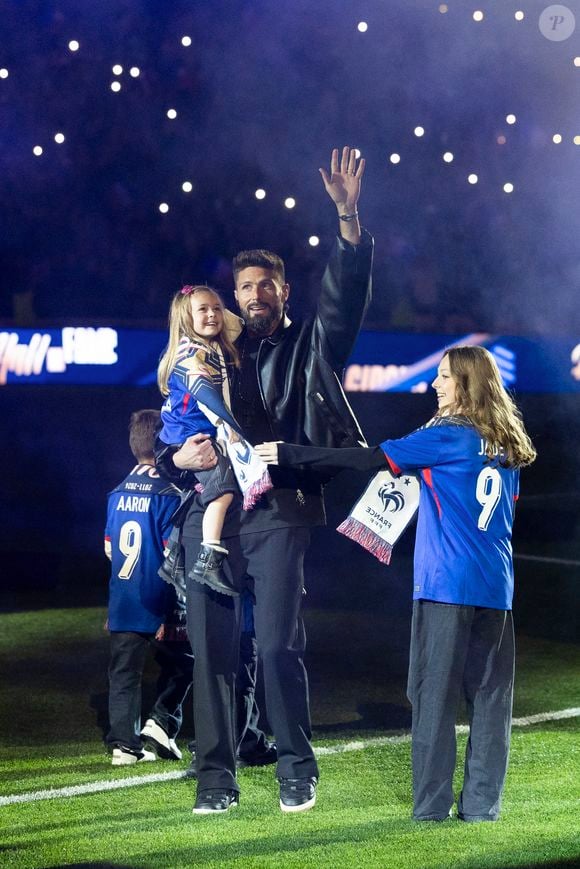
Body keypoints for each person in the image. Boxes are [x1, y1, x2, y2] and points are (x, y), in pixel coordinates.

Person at [157, 146, 373, 814]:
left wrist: (348, 222)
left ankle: (294, 764)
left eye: (266, 285)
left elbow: (344, 302)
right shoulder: (205, 349)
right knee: (212, 653)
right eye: (244, 286)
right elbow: (171, 423)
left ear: (284, 294)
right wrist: (172, 463)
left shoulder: (311, 347)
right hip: (212, 514)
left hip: (279, 510)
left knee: (278, 644)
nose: (254, 295)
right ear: (232, 297)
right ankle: (215, 776)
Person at [256, 345, 537, 823]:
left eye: (445, 377)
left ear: (465, 385)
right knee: (490, 701)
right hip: (497, 588)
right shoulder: (507, 443)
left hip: (446, 586)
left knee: (432, 697)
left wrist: (291, 454)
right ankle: (482, 807)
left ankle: (430, 809)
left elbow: (368, 460)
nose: (435, 384)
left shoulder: (449, 436)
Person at [157, 285, 271, 597]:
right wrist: (232, 429)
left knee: (198, 494)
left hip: (193, 433)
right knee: (223, 490)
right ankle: (208, 558)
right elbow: (205, 392)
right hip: (189, 437)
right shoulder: (192, 353)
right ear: (184, 319)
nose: (213, 315)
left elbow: (237, 323)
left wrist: (210, 302)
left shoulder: (213, 344)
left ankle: (173, 560)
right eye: (203, 310)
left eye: (216, 308)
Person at [104, 409, 193, 765]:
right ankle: (161, 721)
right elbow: (174, 555)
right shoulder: (170, 493)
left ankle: (123, 746)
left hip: (124, 598)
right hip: (161, 598)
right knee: (185, 662)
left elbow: (111, 548)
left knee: (124, 672)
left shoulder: (116, 492)